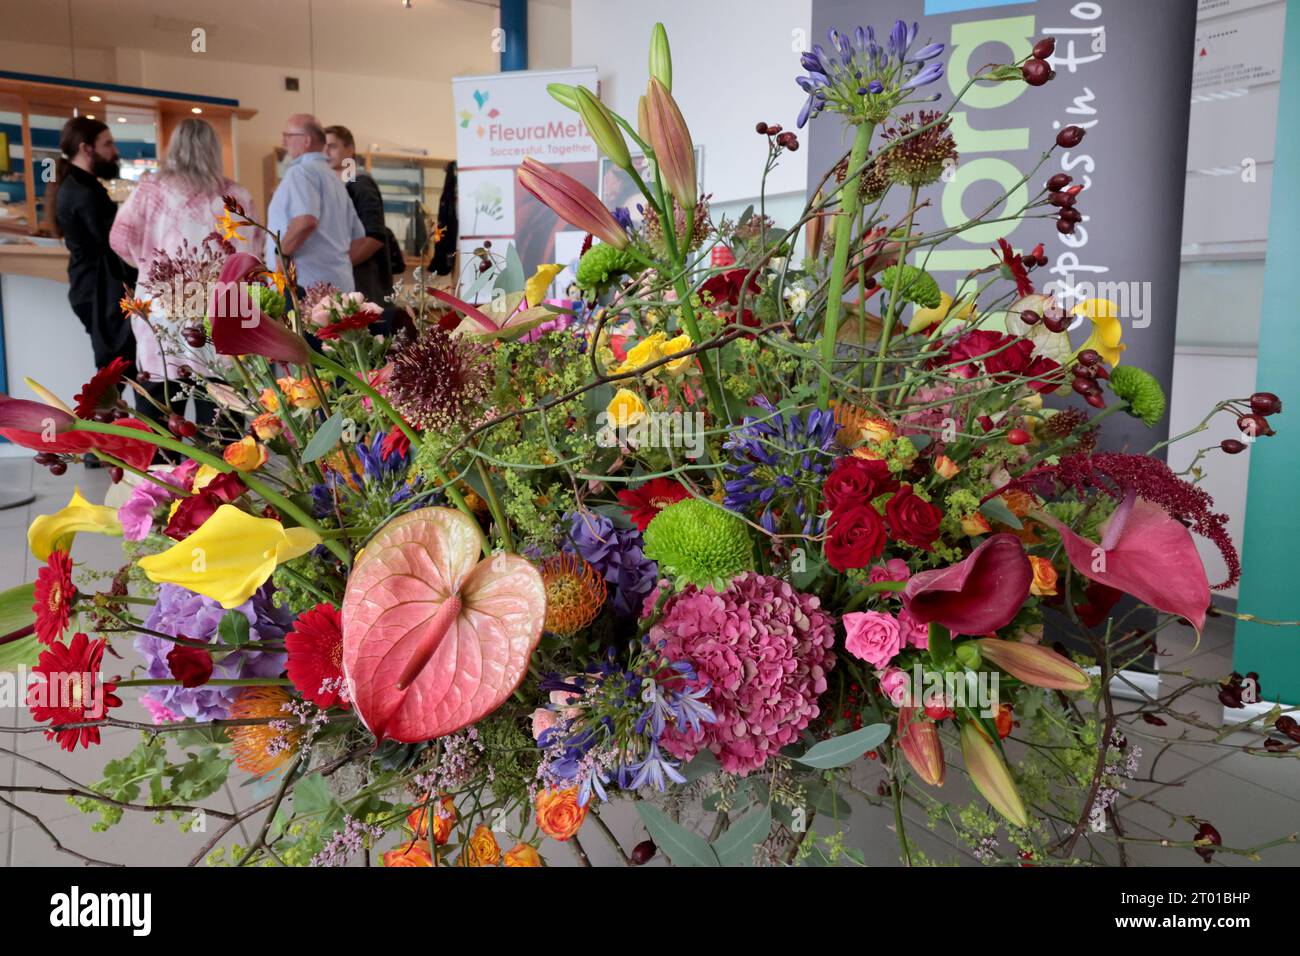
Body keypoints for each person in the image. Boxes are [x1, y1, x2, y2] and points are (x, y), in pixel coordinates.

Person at [110, 117, 260, 428]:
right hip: (221, 315)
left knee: (159, 417)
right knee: (223, 423)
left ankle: (160, 475)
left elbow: (119, 239)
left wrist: (147, 266)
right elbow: (251, 259)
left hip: (162, 311)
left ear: (174, 147)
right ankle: (220, 473)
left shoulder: (150, 189)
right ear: (214, 151)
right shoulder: (236, 197)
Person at [47, 116, 137, 376]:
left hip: (94, 288)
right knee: (115, 375)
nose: (115, 151)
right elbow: (115, 243)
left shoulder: (79, 186)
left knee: (116, 374)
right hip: (100, 293)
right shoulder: (82, 192)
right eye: (108, 144)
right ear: (86, 149)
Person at [266, 114, 363, 293]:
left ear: (306, 140)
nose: (283, 142)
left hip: (305, 287)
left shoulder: (301, 172)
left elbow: (305, 221)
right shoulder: (334, 179)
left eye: (288, 136)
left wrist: (281, 255)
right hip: (338, 283)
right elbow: (358, 235)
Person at [323, 124, 391, 303]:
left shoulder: (360, 184)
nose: (326, 152)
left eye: (333, 146)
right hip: (343, 287)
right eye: (323, 146)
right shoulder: (334, 187)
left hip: (364, 287)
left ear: (350, 149)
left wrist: (341, 266)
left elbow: (375, 237)